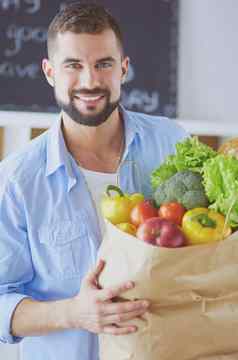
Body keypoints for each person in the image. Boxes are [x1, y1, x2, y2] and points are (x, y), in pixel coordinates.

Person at [0, 3, 188, 360]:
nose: (90, 81)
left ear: (124, 68)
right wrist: (73, 312)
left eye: (104, 64)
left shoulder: (172, 143)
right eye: (73, 65)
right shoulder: (16, 180)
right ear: (50, 72)